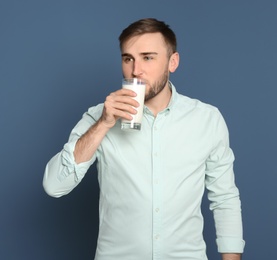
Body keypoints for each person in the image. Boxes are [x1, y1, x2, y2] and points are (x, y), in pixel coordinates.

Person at [43, 18, 245, 260]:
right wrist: (104, 124)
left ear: (173, 62)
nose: (136, 70)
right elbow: (54, 186)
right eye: (128, 58)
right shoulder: (99, 116)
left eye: (148, 57)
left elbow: (225, 199)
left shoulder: (207, 120)